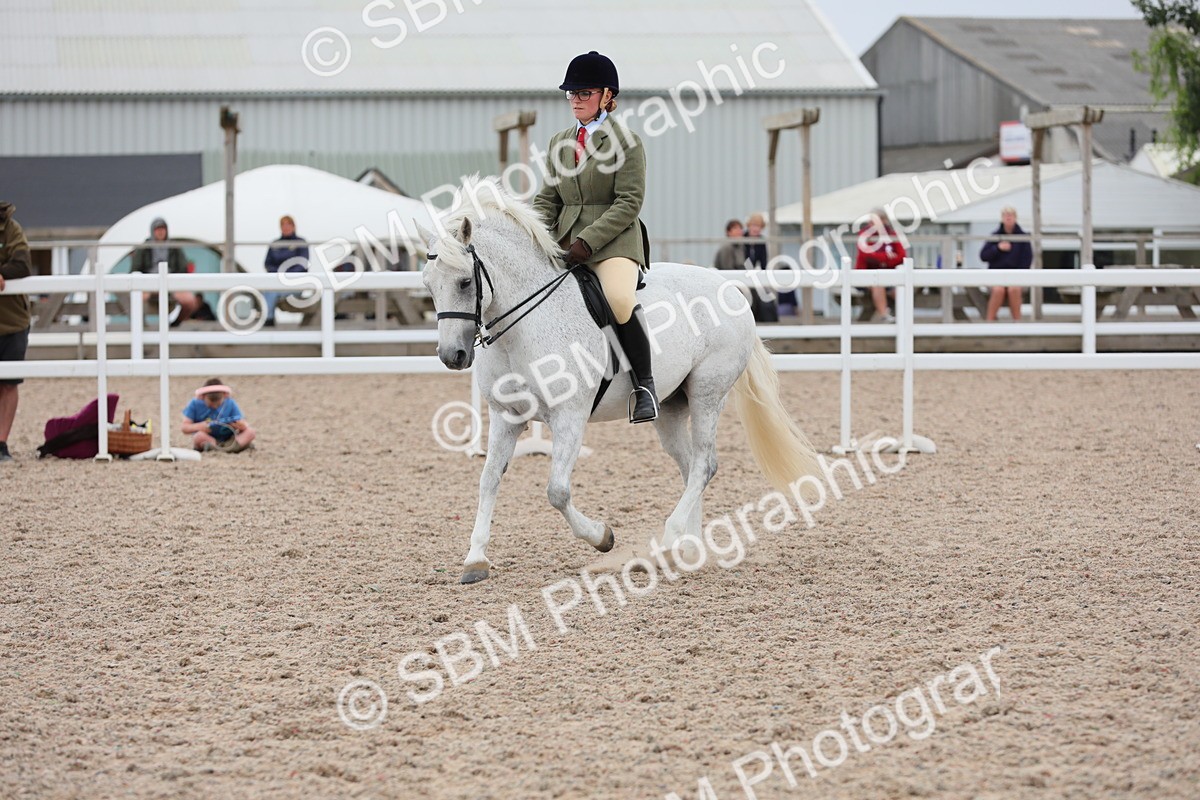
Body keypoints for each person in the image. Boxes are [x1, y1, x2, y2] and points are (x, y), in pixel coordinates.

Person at [533, 50, 657, 423]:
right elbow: (547, 197)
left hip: (613, 242)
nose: (575, 101)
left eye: (584, 94)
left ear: (606, 95)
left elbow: (629, 201)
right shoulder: (559, 142)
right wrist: (534, 233)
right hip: (564, 242)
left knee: (619, 298)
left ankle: (644, 385)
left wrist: (587, 241)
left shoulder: (627, 142)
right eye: (571, 94)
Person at [0, 202, 31, 463]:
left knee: (9, 383)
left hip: (12, 321)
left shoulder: (10, 228)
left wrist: (1, 273)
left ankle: (1, 443)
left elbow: (22, 264)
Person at [131, 217, 202, 326]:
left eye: (163, 229)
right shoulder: (144, 247)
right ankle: (140, 327)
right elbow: (135, 269)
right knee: (135, 299)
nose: (160, 232)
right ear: (152, 231)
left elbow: (183, 267)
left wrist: (177, 280)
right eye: (158, 229)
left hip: (171, 283)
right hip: (149, 283)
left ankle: (175, 323)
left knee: (189, 301)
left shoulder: (174, 247)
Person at [980, 206, 1033, 321]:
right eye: (1006, 215)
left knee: (1014, 289)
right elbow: (983, 256)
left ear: (1015, 217)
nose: (1008, 217)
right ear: (1002, 218)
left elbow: (1027, 261)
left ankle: (1017, 323)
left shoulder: (1023, 238)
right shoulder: (994, 236)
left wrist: (1016, 276)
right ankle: (989, 323)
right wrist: (997, 248)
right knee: (998, 290)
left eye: (1011, 215)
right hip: (996, 278)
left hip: (1017, 278)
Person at [854, 209, 906, 322]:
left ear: (884, 221)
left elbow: (901, 256)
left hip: (889, 276)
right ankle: (884, 316)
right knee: (877, 283)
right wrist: (886, 257)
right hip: (865, 276)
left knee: (900, 288)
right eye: (871, 222)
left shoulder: (893, 235)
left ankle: (904, 318)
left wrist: (881, 259)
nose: (871, 225)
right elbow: (865, 255)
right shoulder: (864, 235)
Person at [181, 378, 256, 453]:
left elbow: (242, 422)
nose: (214, 406)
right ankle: (229, 448)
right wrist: (199, 426)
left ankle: (227, 447)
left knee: (250, 432)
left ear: (224, 396)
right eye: (210, 404)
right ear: (203, 397)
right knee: (198, 437)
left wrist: (241, 426)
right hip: (209, 438)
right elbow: (184, 428)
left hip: (229, 439)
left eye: (218, 403)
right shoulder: (195, 403)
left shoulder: (230, 403)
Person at [263, 215, 310, 326]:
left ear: (293, 226)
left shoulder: (301, 242)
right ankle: (267, 319)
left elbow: (302, 265)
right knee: (267, 291)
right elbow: (268, 264)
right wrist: (279, 274)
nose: (285, 227)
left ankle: (268, 321)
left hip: (294, 284)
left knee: (270, 291)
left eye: (288, 224)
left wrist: (286, 275)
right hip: (277, 283)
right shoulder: (275, 244)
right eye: (283, 225)